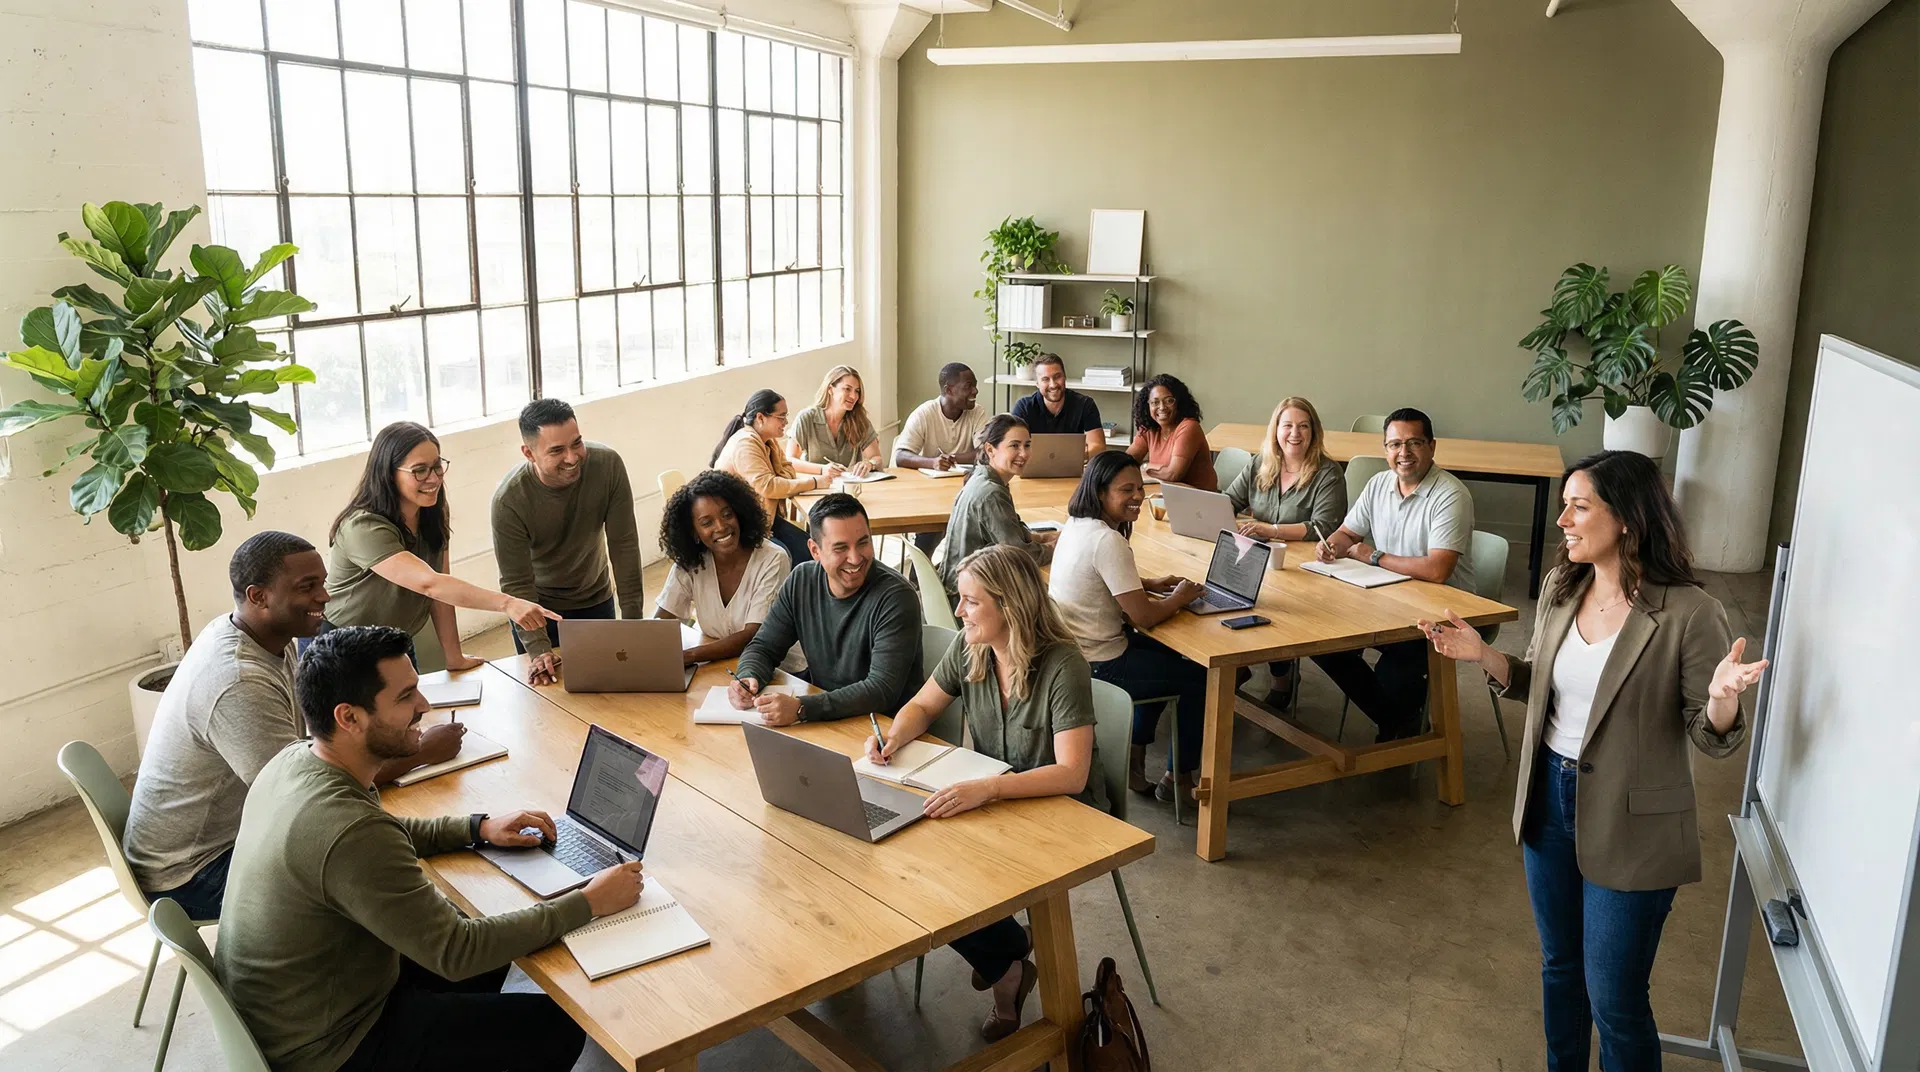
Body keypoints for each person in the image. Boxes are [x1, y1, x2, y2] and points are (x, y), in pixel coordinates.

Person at [1419, 450, 1765, 1072]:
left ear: (1628, 518)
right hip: (1548, 794)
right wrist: (1482, 657)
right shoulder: (1561, 587)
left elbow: (1713, 737)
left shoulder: (1689, 613)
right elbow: (1539, 684)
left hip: (1633, 823)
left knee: (1615, 999)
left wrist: (1718, 702)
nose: (1564, 522)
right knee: (1560, 969)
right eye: (1564, 507)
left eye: (1580, 507)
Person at [216, 625, 644, 1072]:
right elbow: (457, 952)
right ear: (349, 717)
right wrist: (588, 902)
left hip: (297, 1006)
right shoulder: (349, 830)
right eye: (405, 697)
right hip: (334, 1048)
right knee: (557, 1024)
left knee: (490, 941)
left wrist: (477, 828)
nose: (424, 706)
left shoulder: (297, 761)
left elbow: (380, 833)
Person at [123, 533, 462, 921]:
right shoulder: (239, 681)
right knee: (370, 868)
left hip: (220, 840)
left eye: (321, 582)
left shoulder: (262, 635)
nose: (325, 596)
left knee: (382, 852)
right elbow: (302, 795)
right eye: (308, 587)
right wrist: (421, 751)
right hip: (192, 873)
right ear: (258, 596)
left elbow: (308, 754)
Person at [868, 544, 1097, 1041]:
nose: (958, 610)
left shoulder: (1063, 666)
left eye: (970, 601)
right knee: (908, 860)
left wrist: (989, 789)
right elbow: (923, 706)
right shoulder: (971, 647)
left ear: (1008, 606)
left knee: (941, 870)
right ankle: (1009, 960)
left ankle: (1007, 967)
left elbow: (1072, 774)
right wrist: (894, 736)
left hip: (1057, 811)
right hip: (995, 797)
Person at [324, 421, 559, 674]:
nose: (434, 478)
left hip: (395, 641)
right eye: (420, 470)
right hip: (342, 645)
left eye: (437, 466)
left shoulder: (432, 512)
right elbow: (429, 583)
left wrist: (454, 657)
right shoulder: (363, 527)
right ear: (388, 474)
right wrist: (507, 603)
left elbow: (441, 589)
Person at [1049, 451, 1208, 803]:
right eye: (1126, 490)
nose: (1137, 496)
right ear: (1101, 492)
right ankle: (1178, 778)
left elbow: (1098, 579)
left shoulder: (1077, 525)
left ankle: (1136, 762)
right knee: (1199, 678)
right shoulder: (1109, 541)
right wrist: (1180, 597)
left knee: (1166, 658)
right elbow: (1144, 618)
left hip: (1074, 654)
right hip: (1101, 662)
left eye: (1140, 487)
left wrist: (1147, 583)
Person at [1312, 407, 1476, 741]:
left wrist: (1372, 556)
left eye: (1414, 443)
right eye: (1395, 444)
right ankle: (1397, 720)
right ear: (1385, 449)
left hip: (1445, 609)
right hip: (1389, 596)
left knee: (1401, 656)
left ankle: (1399, 727)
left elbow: (1437, 570)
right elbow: (1347, 534)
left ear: (1432, 446)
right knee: (1321, 641)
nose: (1404, 453)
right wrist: (1331, 545)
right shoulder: (1378, 484)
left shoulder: (1450, 494)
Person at [727, 494, 923, 725]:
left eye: (863, 542)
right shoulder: (802, 580)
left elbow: (881, 689)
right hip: (827, 718)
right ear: (815, 550)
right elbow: (764, 646)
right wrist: (749, 676)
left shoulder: (896, 597)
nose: (855, 557)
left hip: (882, 728)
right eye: (841, 548)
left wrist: (803, 708)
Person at [491, 399, 646, 687]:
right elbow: (516, 583)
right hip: (539, 610)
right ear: (529, 453)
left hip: (596, 598)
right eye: (557, 450)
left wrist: (633, 622)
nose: (572, 457)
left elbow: (623, 545)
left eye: (577, 443)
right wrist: (538, 649)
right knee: (547, 702)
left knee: (610, 690)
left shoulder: (607, 465)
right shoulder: (509, 501)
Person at [1224, 397, 1348, 709]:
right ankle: (1236, 666)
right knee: (1226, 590)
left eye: (1303, 426)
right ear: (1276, 430)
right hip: (1259, 557)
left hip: (1306, 568)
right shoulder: (1260, 463)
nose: (1295, 433)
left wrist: (1271, 529)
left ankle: (1282, 675)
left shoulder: (1328, 473)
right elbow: (1229, 501)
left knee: (1272, 606)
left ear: (1314, 432)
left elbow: (1323, 525)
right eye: (1288, 425)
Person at [652, 469, 803, 674]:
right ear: (694, 533)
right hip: (720, 665)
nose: (721, 527)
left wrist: (690, 656)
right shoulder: (691, 563)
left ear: (739, 514)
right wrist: (643, 647)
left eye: (727, 514)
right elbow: (662, 621)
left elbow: (753, 635)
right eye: (707, 523)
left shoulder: (773, 559)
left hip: (779, 671)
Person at [936, 414, 1057, 597]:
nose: (1023, 453)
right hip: (969, 597)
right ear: (990, 450)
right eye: (1014, 446)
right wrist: (1056, 547)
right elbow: (1021, 556)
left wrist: (1042, 537)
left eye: (1027, 445)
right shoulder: (991, 493)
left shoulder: (981, 477)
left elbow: (1010, 533)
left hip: (958, 586)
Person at [711, 389, 828, 565]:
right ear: (760, 418)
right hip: (740, 525)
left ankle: (809, 590)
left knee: (814, 551)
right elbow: (768, 487)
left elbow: (788, 471)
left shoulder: (768, 440)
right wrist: (813, 482)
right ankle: (789, 592)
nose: (786, 422)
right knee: (784, 558)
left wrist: (778, 481)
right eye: (781, 417)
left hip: (765, 519)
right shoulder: (745, 444)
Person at [893, 362, 989, 553]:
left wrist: (953, 458)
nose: (975, 391)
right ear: (949, 389)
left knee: (981, 521)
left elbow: (985, 452)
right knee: (933, 526)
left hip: (967, 488)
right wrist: (932, 462)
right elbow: (900, 455)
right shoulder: (924, 414)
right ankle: (919, 576)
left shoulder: (977, 412)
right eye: (968, 386)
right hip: (930, 494)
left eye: (975, 385)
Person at [1126, 373, 1218, 491]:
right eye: (1155, 402)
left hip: (1199, 499)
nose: (1162, 407)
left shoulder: (1189, 427)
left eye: (1169, 401)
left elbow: (1173, 474)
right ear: (1147, 405)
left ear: (1179, 402)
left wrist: (1144, 467)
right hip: (1166, 494)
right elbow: (1126, 462)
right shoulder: (1149, 428)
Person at [788, 364, 883, 477]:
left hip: (849, 487)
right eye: (847, 389)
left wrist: (869, 464)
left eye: (857, 391)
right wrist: (822, 469)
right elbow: (789, 461)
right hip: (816, 486)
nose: (853, 396)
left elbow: (877, 458)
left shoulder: (860, 420)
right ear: (830, 389)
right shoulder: (806, 418)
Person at [1011, 352, 1104, 458]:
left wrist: (1076, 457)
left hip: (1072, 467)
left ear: (1065, 377)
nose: (1053, 384)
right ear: (1037, 384)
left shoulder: (1085, 404)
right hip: (1033, 468)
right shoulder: (1024, 407)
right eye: (1045, 379)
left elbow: (1098, 446)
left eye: (1057, 377)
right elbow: (1014, 445)